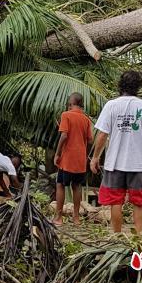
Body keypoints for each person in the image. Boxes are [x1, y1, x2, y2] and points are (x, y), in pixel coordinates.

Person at [90, 71, 142, 234]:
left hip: (115, 163)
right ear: (138, 86)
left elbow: (102, 134)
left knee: (116, 202)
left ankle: (117, 235)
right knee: (138, 202)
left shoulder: (111, 105)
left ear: (121, 85)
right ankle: (138, 237)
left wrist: (95, 157)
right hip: (137, 164)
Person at [53, 92, 92, 225]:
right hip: (80, 159)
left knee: (60, 184)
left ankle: (58, 217)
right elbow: (90, 140)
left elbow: (64, 136)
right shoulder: (86, 119)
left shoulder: (66, 115)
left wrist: (57, 153)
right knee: (77, 186)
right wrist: (84, 153)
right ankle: (76, 218)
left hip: (67, 159)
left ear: (70, 104)